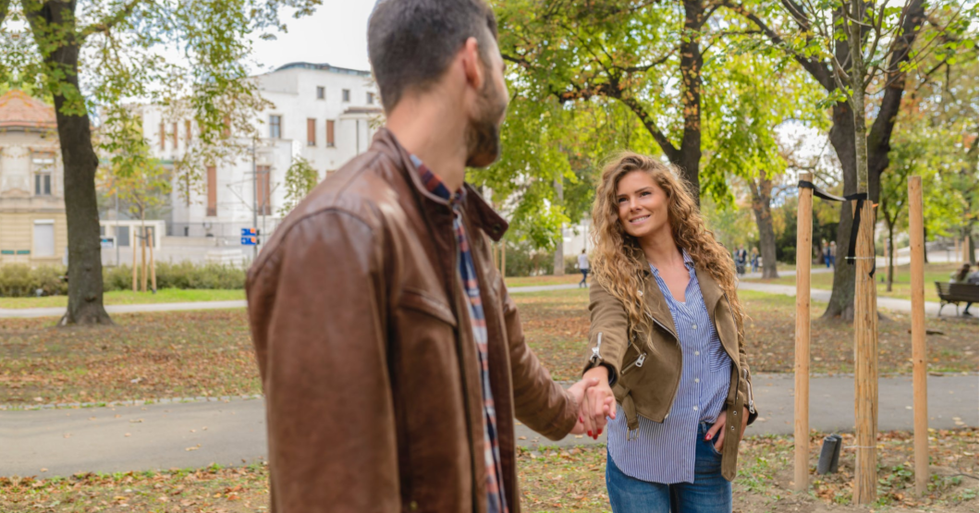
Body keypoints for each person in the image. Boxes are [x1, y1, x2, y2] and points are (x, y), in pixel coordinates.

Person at [245, 1, 606, 510]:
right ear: (473, 64)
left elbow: (504, 357)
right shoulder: (337, 233)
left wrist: (570, 407)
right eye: (502, 71)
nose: (505, 91)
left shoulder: (457, 220)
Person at [578, 153, 758, 513]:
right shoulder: (612, 274)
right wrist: (598, 372)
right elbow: (607, 326)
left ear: (667, 196)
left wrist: (742, 405)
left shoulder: (711, 262)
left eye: (643, 194)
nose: (633, 206)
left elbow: (732, 344)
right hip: (641, 452)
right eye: (622, 200)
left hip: (708, 451)